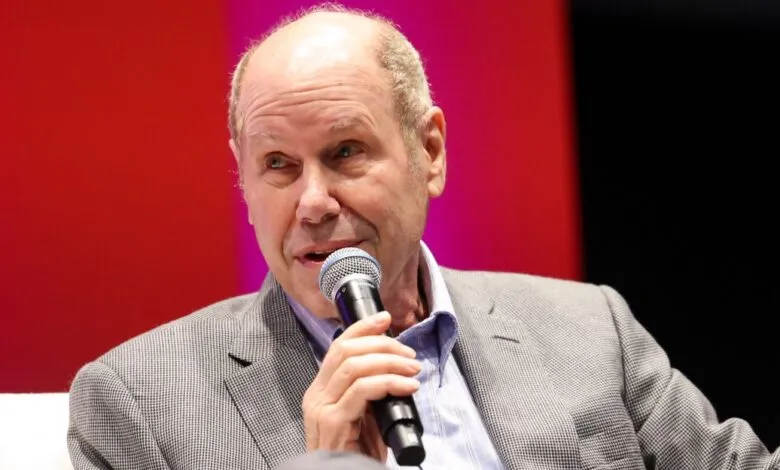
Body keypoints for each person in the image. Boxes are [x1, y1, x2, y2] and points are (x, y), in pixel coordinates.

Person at [66, 3, 779, 470]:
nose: (312, 202)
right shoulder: (138, 405)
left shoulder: (591, 331)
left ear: (429, 152)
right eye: (278, 165)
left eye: (346, 152)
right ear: (244, 181)